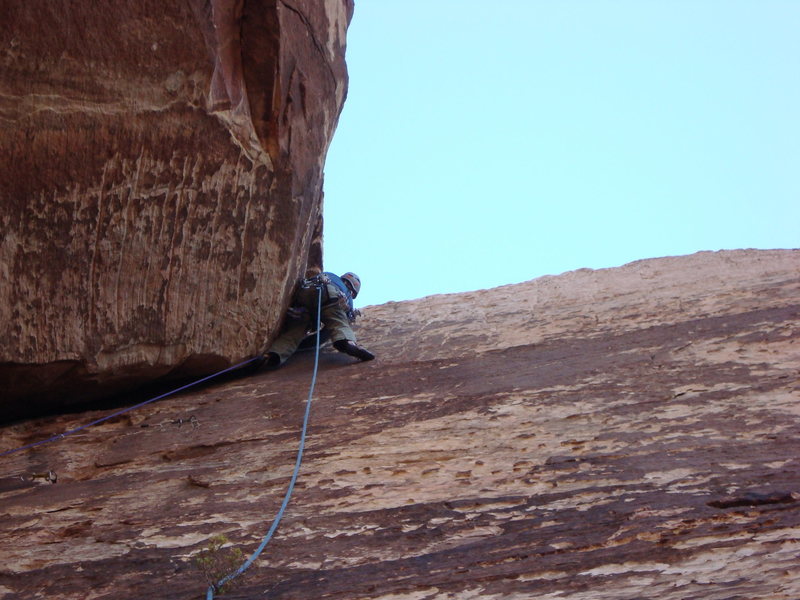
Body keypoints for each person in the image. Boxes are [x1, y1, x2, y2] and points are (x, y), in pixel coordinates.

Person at [258, 272, 374, 368]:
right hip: (331, 295)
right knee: (339, 322)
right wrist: (314, 343)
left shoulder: (330, 275)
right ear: (353, 291)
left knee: (295, 331)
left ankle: (273, 355)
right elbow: (330, 328)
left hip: (305, 292)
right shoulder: (346, 293)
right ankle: (348, 342)